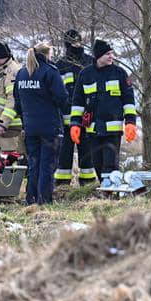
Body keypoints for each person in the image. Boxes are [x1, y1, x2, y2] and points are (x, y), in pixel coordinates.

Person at [69, 40, 137, 182]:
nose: (111, 56)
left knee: (110, 165)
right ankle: (107, 191)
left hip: (113, 132)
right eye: (108, 54)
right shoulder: (85, 74)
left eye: (112, 53)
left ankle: (111, 195)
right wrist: (75, 124)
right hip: (93, 131)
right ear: (99, 55)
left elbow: (129, 100)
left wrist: (130, 122)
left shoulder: (120, 73)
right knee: (98, 165)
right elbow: (78, 102)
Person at [13, 42, 67, 205]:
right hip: (49, 127)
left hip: (30, 127)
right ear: (47, 54)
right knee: (47, 165)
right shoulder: (50, 72)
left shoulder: (22, 74)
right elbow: (61, 98)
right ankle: (44, 200)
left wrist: (25, 120)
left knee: (34, 164)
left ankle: (31, 199)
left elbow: (17, 103)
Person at [53, 29, 97, 190]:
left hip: (86, 118)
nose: (76, 46)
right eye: (74, 43)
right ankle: (63, 186)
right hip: (67, 120)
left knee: (87, 152)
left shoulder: (89, 63)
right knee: (65, 152)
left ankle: (88, 184)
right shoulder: (60, 66)